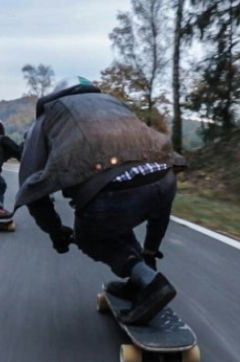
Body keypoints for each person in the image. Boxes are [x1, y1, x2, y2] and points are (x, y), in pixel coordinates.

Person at [15, 76, 186, 325]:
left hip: (114, 191)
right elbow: (158, 199)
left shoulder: (49, 116)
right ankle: (141, 276)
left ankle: (151, 284)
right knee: (116, 218)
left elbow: (32, 186)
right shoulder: (113, 105)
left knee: (89, 235)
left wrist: (55, 232)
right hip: (164, 177)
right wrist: (150, 250)